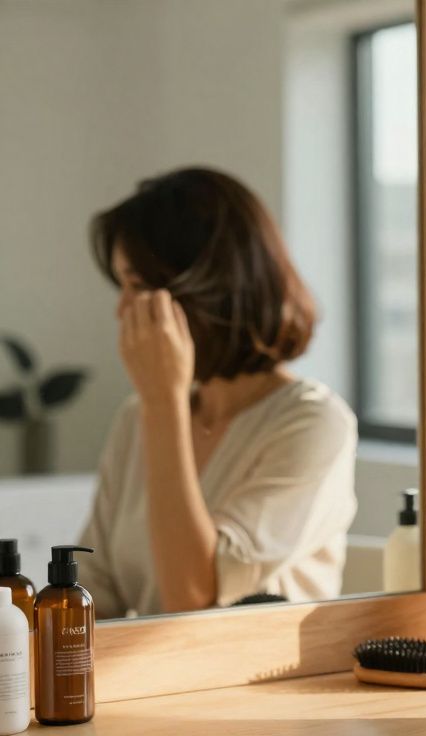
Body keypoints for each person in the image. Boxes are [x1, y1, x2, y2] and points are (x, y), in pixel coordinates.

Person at [79, 166, 358, 618]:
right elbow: (94, 593)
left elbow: (194, 597)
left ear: (207, 290)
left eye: (136, 286)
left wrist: (163, 402)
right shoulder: (137, 419)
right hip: (147, 684)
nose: (122, 310)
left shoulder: (312, 424)